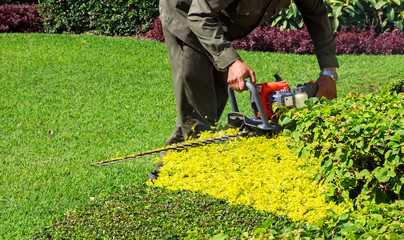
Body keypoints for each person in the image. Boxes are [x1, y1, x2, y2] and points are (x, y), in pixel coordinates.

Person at [148, 0, 339, 181]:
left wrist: (328, 72)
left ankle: (164, 176)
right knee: (200, 115)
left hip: (212, 22)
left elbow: (315, 11)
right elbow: (199, 14)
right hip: (186, 15)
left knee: (209, 108)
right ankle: (190, 183)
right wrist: (231, 61)